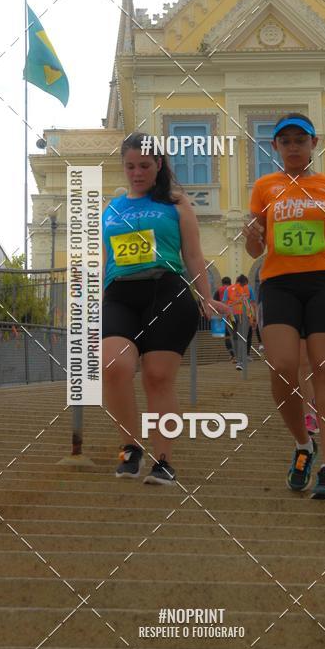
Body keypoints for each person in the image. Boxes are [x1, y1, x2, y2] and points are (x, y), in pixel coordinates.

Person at [102, 132, 229, 485]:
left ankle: (163, 460)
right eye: (130, 166)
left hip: (168, 293)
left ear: (159, 165)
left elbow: (193, 254)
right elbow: (106, 259)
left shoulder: (176, 204)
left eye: (144, 165)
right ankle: (130, 447)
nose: (137, 173)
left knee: (158, 378)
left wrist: (206, 297)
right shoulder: (111, 209)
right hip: (121, 294)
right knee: (114, 366)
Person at [243, 112, 325, 500]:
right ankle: (304, 444)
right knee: (283, 367)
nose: (293, 147)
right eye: (285, 141)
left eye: (300, 140)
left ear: (314, 144)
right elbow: (255, 248)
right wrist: (250, 233)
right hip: (278, 284)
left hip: (324, 281)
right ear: (275, 147)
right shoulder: (264, 187)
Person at [222, 274, 256, 370]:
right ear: (245, 282)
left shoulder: (228, 289)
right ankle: (241, 361)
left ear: (236, 281)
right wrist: (254, 318)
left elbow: (224, 303)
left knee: (234, 337)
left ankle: (238, 359)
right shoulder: (248, 288)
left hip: (231, 315)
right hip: (243, 315)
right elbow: (253, 303)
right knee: (242, 337)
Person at [214, 276, 234, 363]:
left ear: (222, 283)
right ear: (230, 282)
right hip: (234, 315)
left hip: (223, 316)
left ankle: (232, 354)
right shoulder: (233, 289)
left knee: (227, 337)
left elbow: (215, 303)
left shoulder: (218, 290)